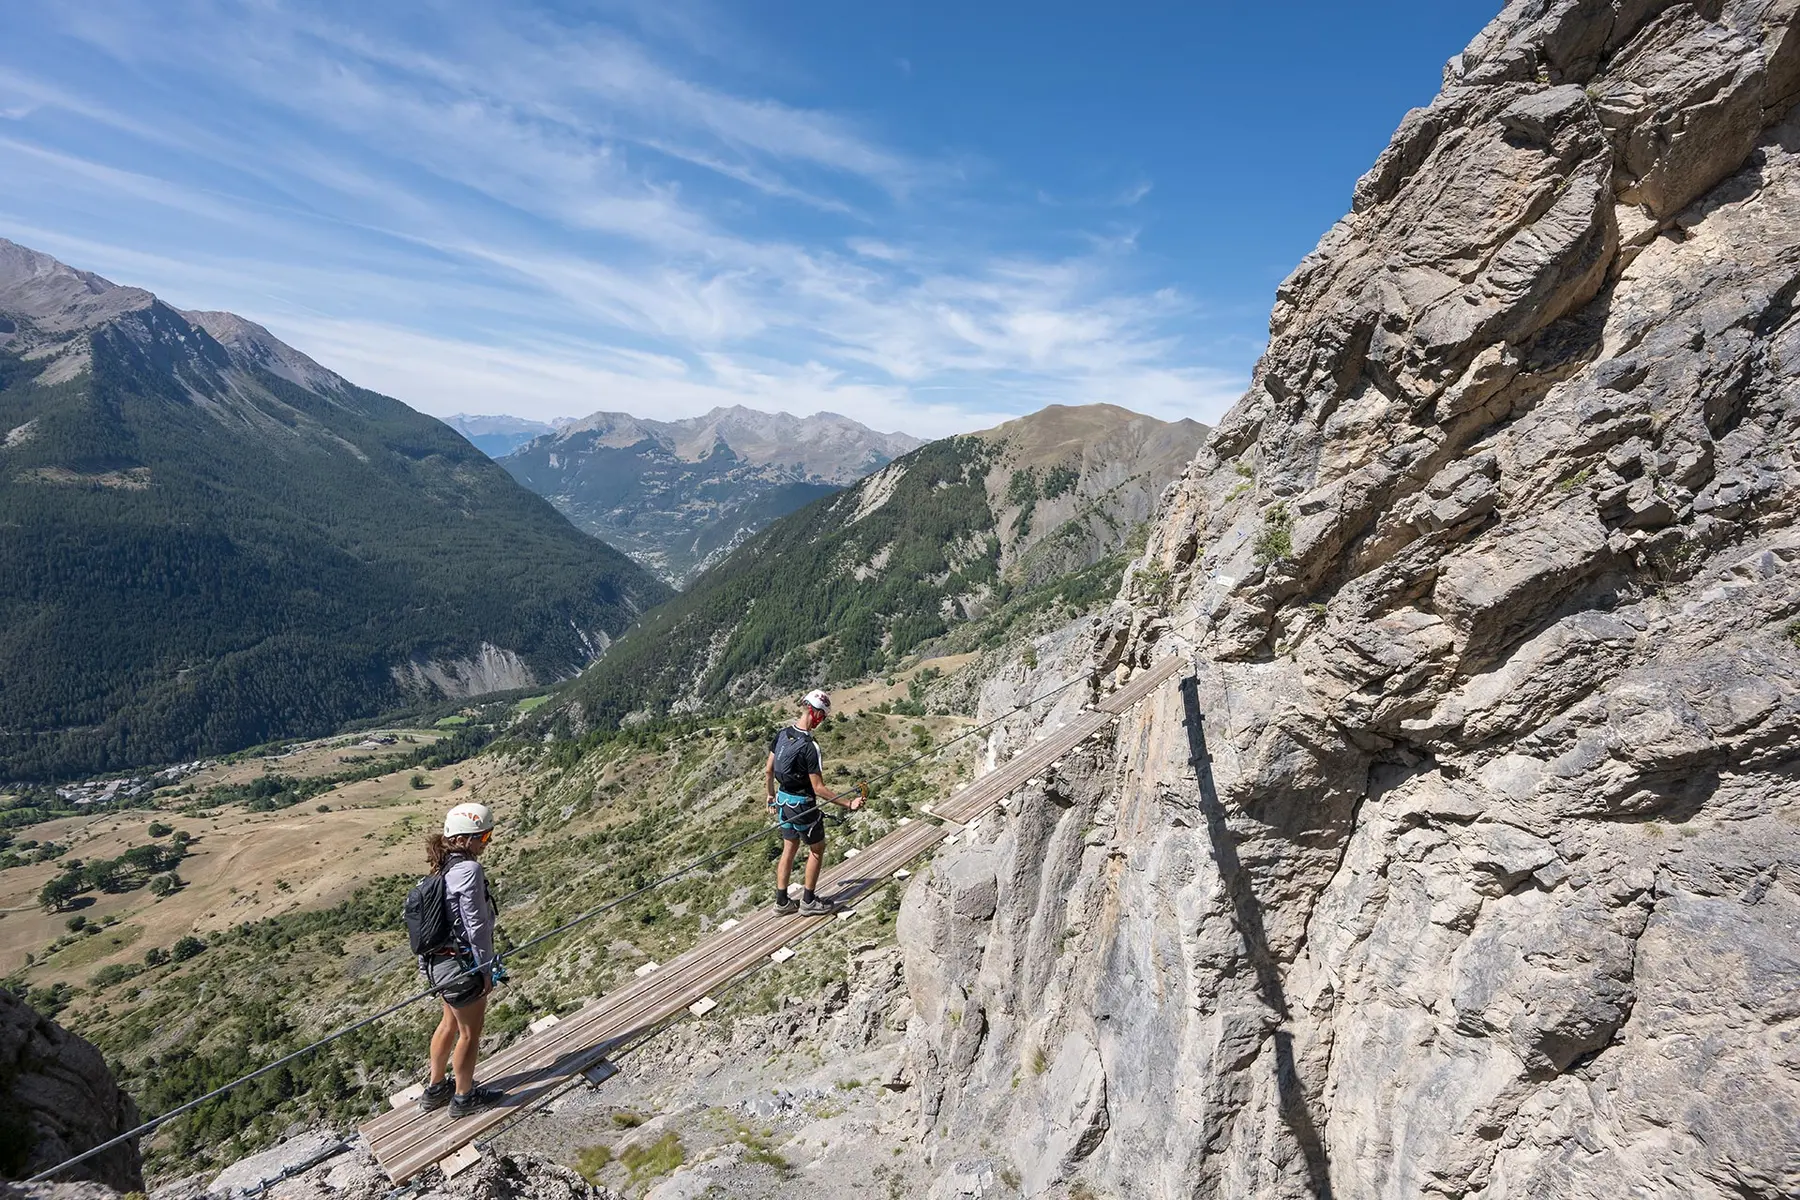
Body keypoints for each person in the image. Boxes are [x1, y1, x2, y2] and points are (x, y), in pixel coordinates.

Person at [417, 802, 505, 1118]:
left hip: (438, 966)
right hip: (462, 966)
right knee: (469, 1033)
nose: (487, 843)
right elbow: (476, 925)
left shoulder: (440, 870)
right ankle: (464, 1097)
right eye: (483, 837)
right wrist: (485, 968)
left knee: (449, 1023)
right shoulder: (468, 870)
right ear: (465, 839)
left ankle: (435, 1088)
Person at [765, 689, 864, 915]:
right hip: (802, 804)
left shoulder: (781, 734)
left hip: (783, 800)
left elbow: (769, 769)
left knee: (789, 848)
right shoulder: (810, 746)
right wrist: (848, 803)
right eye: (824, 717)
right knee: (817, 850)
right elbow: (818, 788)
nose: (822, 721)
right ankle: (808, 900)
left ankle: (782, 901)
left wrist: (770, 795)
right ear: (817, 713)